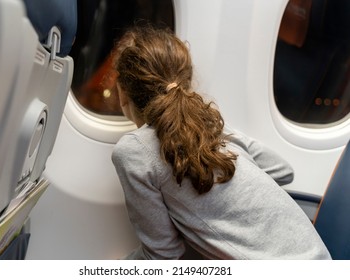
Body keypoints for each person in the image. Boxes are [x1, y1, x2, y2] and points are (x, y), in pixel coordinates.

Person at [111, 25, 331, 260]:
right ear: (185, 82)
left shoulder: (134, 151)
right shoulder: (214, 127)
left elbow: (161, 257)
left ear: (123, 91)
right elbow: (282, 169)